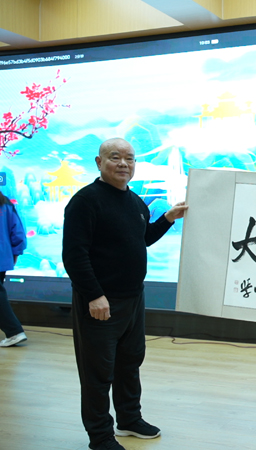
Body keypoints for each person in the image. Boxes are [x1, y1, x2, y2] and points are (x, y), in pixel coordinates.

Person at [63, 138, 188, 450]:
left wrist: (168, 218)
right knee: (97, 372)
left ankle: (129, 419)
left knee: (129, 363)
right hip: (100, 303)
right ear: (99, 162)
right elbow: (74, 255)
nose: (123, 164)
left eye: (129, 159)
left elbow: (142, 238)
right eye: (115, 157)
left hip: (133, 298)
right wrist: (94, 295)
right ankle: (100, 437)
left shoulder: (134, 201)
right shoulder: (85, 201)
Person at [0, 192, 28, 348]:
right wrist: (16, 252)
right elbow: (17, 230)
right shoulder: (5, 203)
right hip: (3, 256)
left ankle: (14, 332)